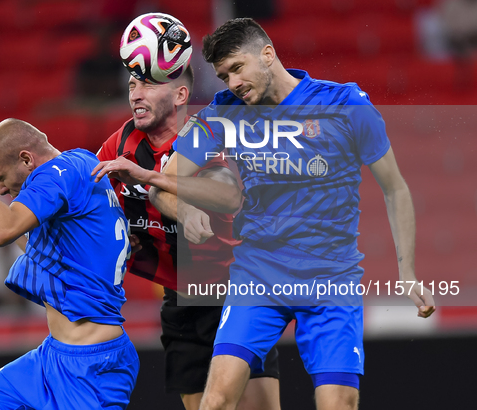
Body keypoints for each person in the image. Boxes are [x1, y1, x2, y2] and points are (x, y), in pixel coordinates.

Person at [93, 17, 437, 410]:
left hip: (330, 282)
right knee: (216, 400)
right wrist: (184, 206)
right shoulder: (226, 110)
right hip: (258, 276)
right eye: (224, 76)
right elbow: (168, 179)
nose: (233, 83)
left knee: (339, 403)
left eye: (238, 68)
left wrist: (407, 273)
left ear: (268, 55)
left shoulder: (345, 105)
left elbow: (395, 188)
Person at [0, 116, 139, 409]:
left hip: (93, 366)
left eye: (0, 178)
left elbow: (2, 230)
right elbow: (32, 244)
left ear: (27, 159)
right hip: (51, 358)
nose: (1, 189)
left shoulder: (57, 174)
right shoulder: (78, 163)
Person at [92, 65, 281, 409]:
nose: (135, 93)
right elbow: (77, 188)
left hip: (234, 297)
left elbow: (227, 191)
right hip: (179, 304)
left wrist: (182, 204)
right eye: (133, 85)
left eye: (148, 85)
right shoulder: (121, 143)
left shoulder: (206, 137)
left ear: (180, 95)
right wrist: (21, 193)